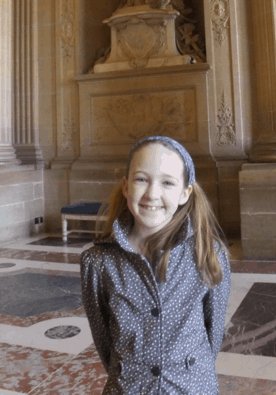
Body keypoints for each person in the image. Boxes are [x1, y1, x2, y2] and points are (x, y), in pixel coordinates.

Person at [80, 135, 231, 394]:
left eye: (168, 183)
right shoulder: (98, 262)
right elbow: (105, 341)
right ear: (126, 187)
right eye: (141, 179)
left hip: (192, 387)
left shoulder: (208, 254)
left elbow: (212, 332)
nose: (152, 194)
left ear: (185, 192)